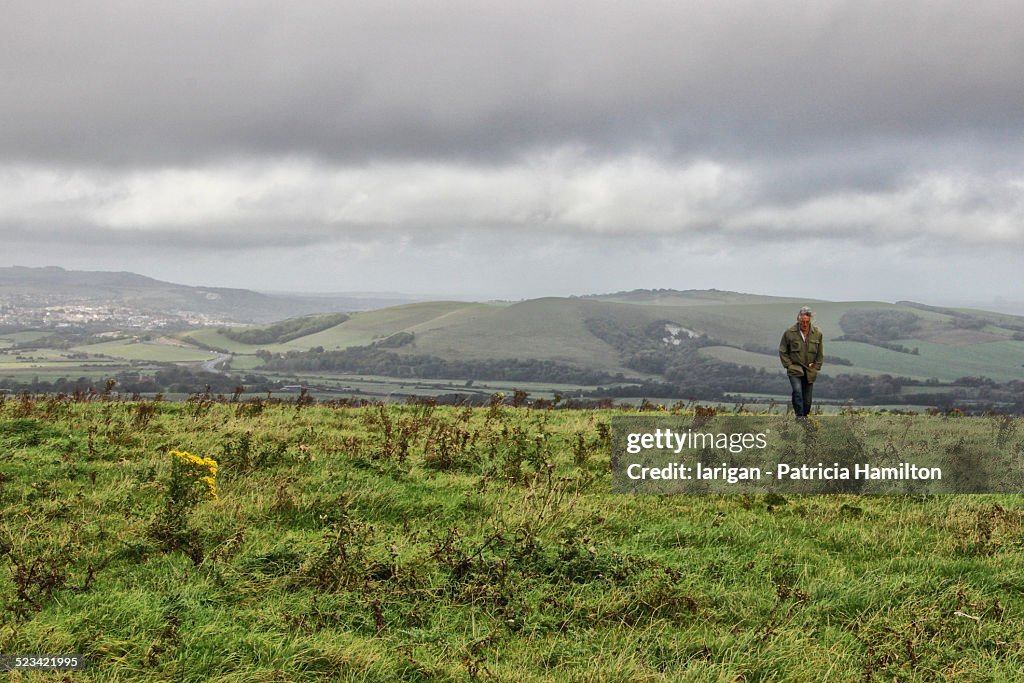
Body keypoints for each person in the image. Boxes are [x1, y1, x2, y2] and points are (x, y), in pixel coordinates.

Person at [779, 306, 824, 418]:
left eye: (807, 322)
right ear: (798, 320)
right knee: (797, 392)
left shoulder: (817, 333)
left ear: (810, 320)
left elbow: (820, 353)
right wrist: (789, 365)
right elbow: (783, 351)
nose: (804, 324)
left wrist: (816, 366)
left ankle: (804, 417)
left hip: (810, 371)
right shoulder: (789, 333)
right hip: (795, 369)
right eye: (802, 321)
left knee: (807, 400)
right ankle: (800, 417)